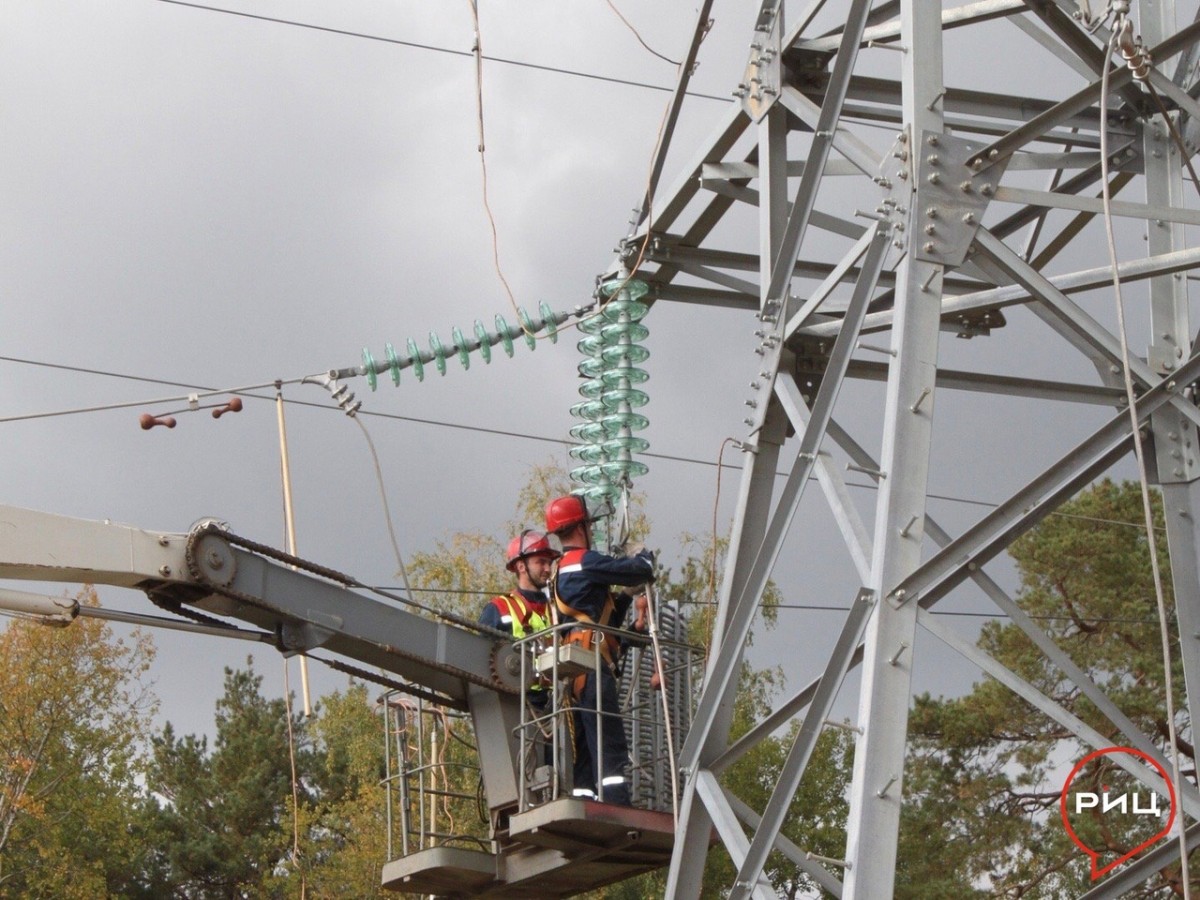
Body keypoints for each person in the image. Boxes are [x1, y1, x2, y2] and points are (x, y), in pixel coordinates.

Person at [544, 493, 654, 806]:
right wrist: (641, 555)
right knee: (608, 745)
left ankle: (585, 805)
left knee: (584, 752)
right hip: (591, 666)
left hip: (573, 671)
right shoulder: (584, 561)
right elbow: (643, 569)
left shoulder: (558, 570)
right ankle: (618, 808)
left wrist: (623, 597)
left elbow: (596, 619)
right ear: (582, 527)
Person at [479, 529, 559, 639]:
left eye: (549, 563)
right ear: (521, 567)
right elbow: (482, 652)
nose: (548, 569)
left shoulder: (555, 609)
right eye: (541, 562)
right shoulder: (499, 608)